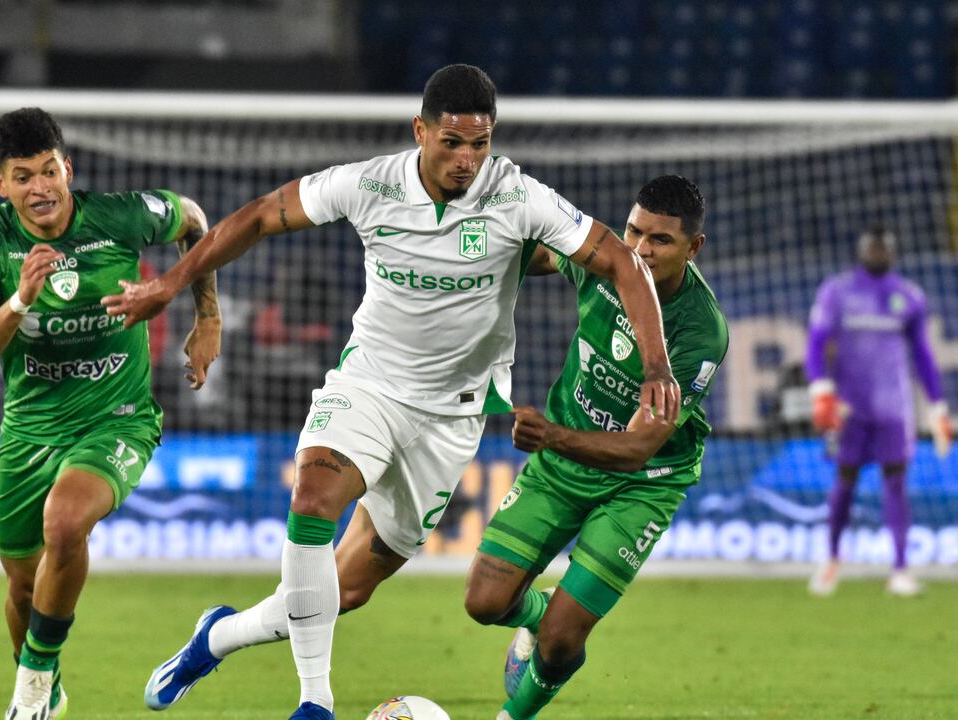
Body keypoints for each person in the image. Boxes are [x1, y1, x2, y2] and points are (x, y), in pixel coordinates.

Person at [107, 64, 680, 720]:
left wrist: (657, 366)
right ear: (421, 131)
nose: (468, 159)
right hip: (370, 387)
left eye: (481, 144)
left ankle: (216, 636)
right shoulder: (370, 183)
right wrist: (170, 283)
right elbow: (263, 215)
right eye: (454, 142)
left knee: (342, 591)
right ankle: (314, 703)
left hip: (450, 420)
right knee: (314, 494)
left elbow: (620, 260)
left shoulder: (518, 197)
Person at [0, 107, 220, 720]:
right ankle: (48, 683)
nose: (39, 188)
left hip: (116, 417)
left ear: (68, 168)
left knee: (66, 523)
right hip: (28, 432)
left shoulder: (119, 215)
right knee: (22, 584)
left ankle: (33, 690)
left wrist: (207, 316)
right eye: (23, 177)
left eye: (49, 171)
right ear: (1, 185)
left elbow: (196, 220)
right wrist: (19, 300)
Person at [461, 175, 728, 720]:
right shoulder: (607, 262)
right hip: (562, 464)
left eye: (660, 241)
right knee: (483, 604)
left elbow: (636, 449)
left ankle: (515, 713)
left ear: (694, 247)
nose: (640, 250)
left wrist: (549, 435)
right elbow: (542, 256)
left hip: (643, 483)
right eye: (634, 231)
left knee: (562, 640)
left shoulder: (701, 332)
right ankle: (535, 615)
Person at [805, 225, 952, 598]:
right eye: (872, 247)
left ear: (893, 252)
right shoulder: (837, 292)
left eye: (883, 248)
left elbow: (922, 355)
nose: (877, 253)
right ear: (861, 249)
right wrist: (821, 389)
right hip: (849, 408)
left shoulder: (908, 296)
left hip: (894, 408)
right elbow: (816, 343)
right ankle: (833, 558)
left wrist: (937, 407)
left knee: (896, 482)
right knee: (845, 481)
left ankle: (900, 569)